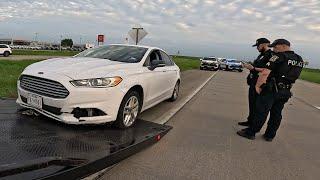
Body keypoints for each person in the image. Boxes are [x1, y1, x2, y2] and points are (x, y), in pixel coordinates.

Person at [237, 39, 304, 141]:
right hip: (285, 90)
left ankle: (251, 132)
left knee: (261, 111)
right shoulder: (299, 59)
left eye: (275, 47)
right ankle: (270, 135)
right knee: (276, 113)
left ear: (283, 46)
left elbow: (265, 72)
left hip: (271, 89)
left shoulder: (278, 56)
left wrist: (258, 86)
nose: (274, 49)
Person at [238, 38, 273, 127]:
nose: (257, 48)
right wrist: (249, 66)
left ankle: (254, 125)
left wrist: (253, 68)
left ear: (264, 45)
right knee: (252, 103)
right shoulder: (261, 55)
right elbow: (256, 66)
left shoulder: (270, 55)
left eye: (258, 46)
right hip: (253, 82)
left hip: (260, 83)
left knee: (258, 106)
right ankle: (250, 121)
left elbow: (268, 70)